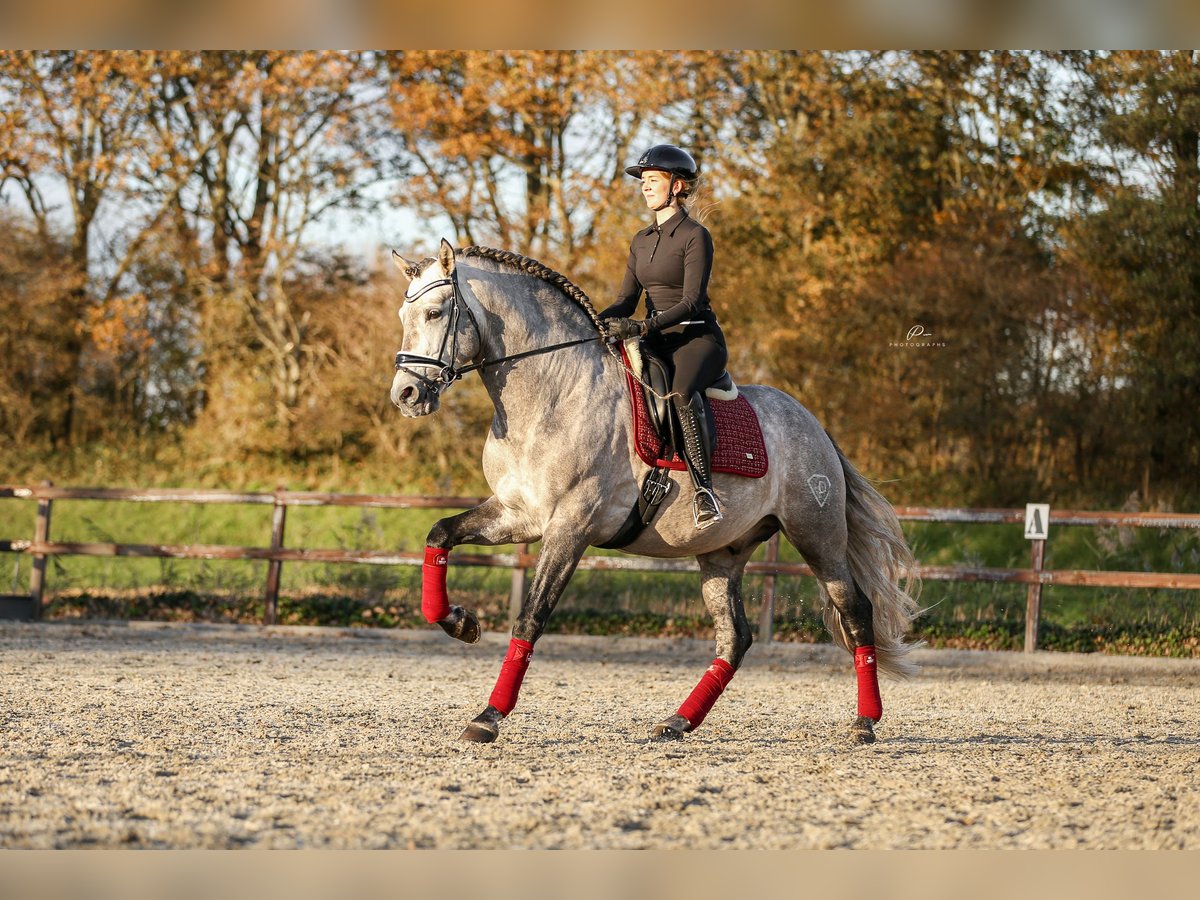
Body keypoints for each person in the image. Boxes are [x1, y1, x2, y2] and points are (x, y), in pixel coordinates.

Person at [598, 144, 728, 530]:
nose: (644, 186)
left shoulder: (695, 236)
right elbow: (625, 300)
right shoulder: (640, 240)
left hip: (696, 339)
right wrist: (591, 321)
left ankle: (704, 491)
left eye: (652, 180)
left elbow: (691, 302)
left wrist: (642, 327)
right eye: (643, 181)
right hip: (654, 340)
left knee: (682, 390)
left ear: (676, 186)